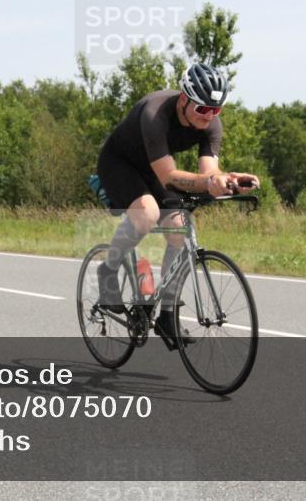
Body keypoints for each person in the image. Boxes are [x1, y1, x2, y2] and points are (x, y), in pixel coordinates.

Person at [94, 63, 260, 346]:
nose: (209, 116)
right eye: (203, 109)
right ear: (184, 99)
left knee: (178, 228)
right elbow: (169, 176)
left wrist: (227, 180)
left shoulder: (211, 124)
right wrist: (209, 182)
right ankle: (108, 270)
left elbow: (208, 172)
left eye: (215, 110)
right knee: (147, 214)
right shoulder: (154, 113)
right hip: (120, 164)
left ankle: (168, 315)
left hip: (155, 168)